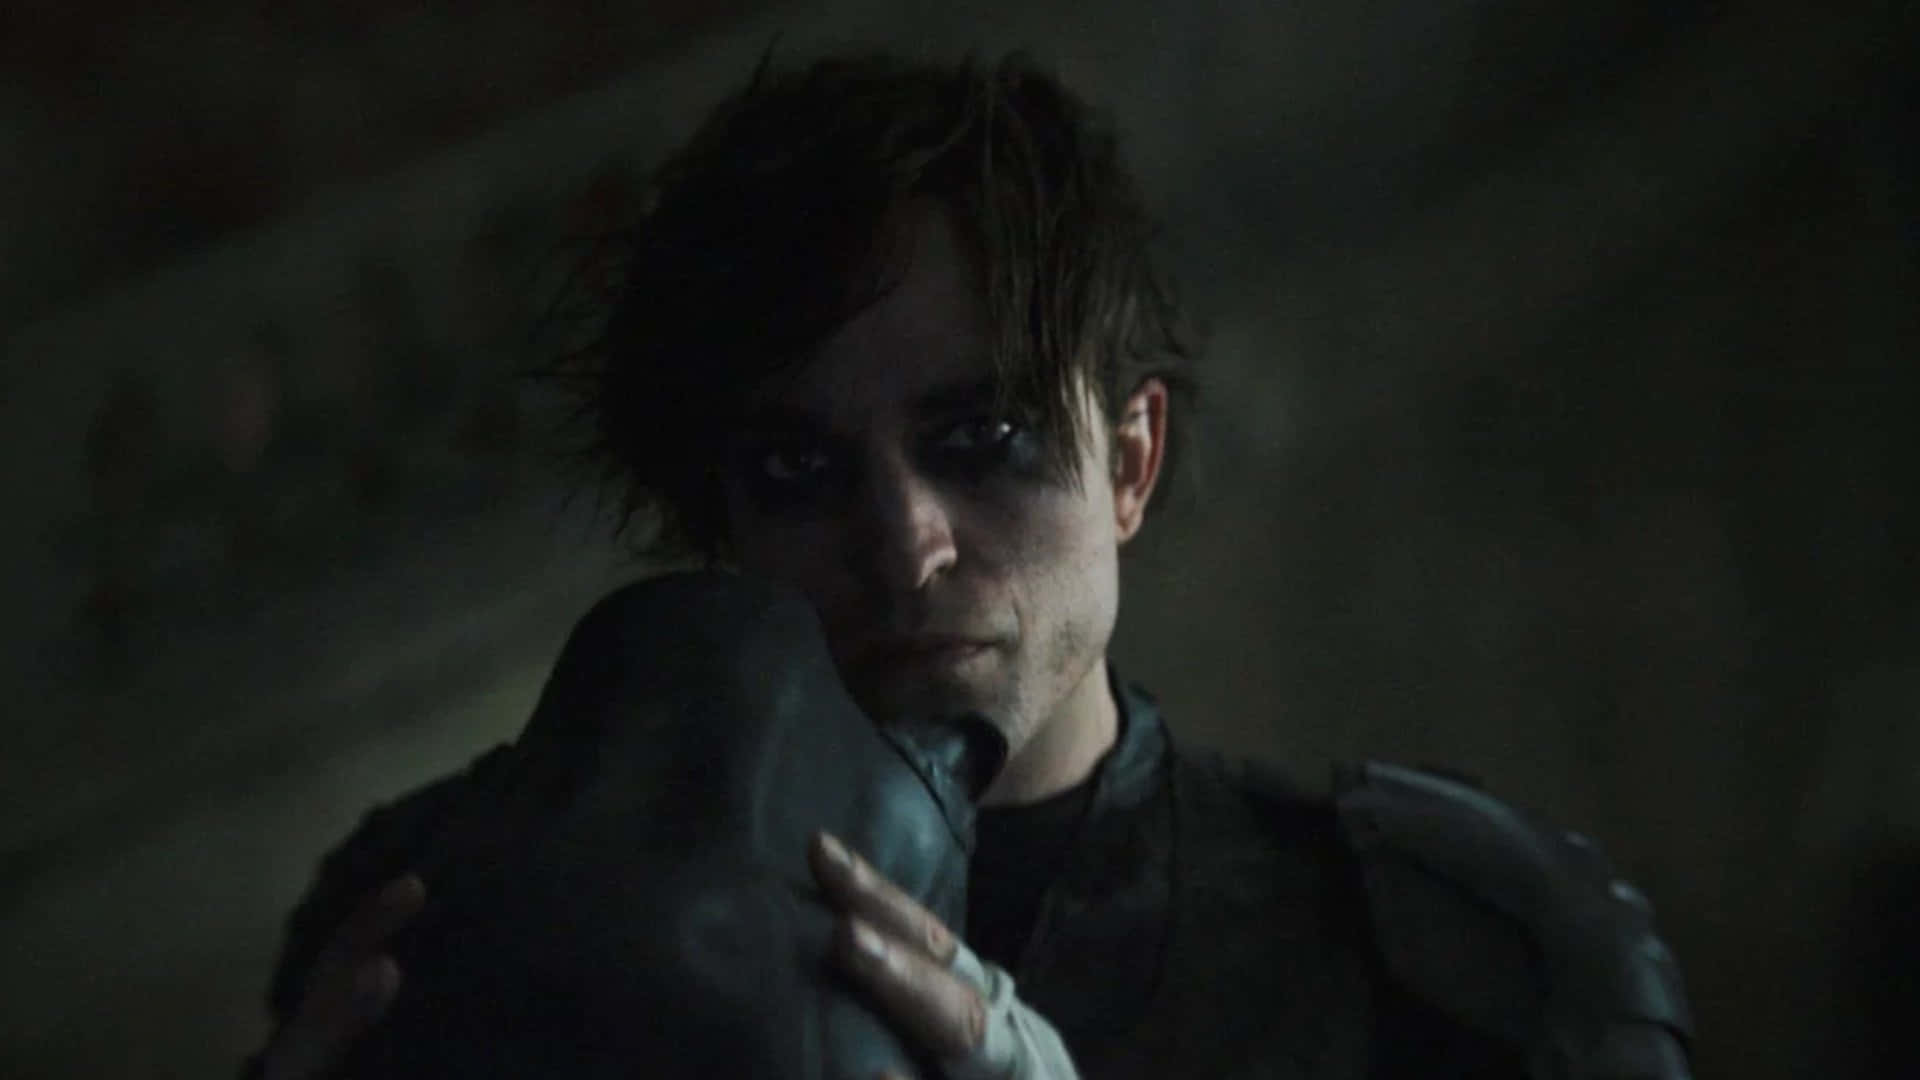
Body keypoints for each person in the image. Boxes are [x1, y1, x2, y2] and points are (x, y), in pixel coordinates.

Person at [245, 51, 1694, 1079]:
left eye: (983, 439)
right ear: (718, 522)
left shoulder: (1443, 962)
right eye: (799, 470)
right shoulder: (451, 915)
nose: (904, 541)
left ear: (1129, 463)